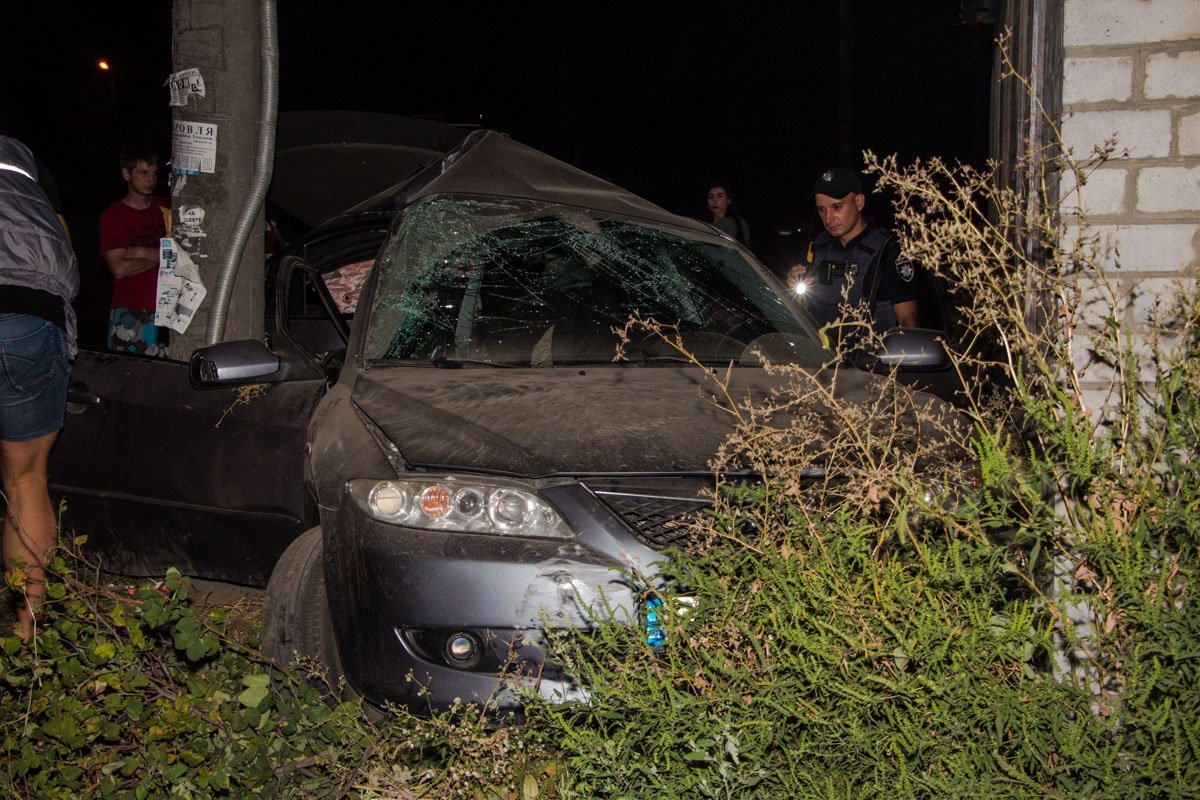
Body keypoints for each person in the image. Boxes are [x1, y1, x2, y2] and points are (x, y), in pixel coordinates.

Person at [0, 135, 79, 641]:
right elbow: (61, 237)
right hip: (29, 308)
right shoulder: (22, 158)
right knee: (25, 479)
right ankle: (25, 639)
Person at [787, 167, 919, 339]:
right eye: (822, 209)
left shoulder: (888, 252)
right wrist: (793, 288)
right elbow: (803, 315)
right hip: (818, 355)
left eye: (837, 207)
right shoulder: (818, 247)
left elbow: (908, 323)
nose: (828, 218)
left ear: (859, 202)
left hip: (871, 355)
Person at [100, 147, 170, 354]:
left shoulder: (165, 208)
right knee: (131, 370)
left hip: (170, 309)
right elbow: (119, 269)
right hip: (132, 309)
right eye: (143, 173)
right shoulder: (113, 216)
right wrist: (163, 256)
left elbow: (180, 253)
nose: (150, 179)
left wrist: (140, 252)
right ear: (126, 174)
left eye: (153, 174)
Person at [706, 181, 751, 246]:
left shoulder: (732, 222)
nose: (714, 200)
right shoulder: (709, 225)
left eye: (720, 196)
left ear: (728, 200)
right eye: (711, 197)